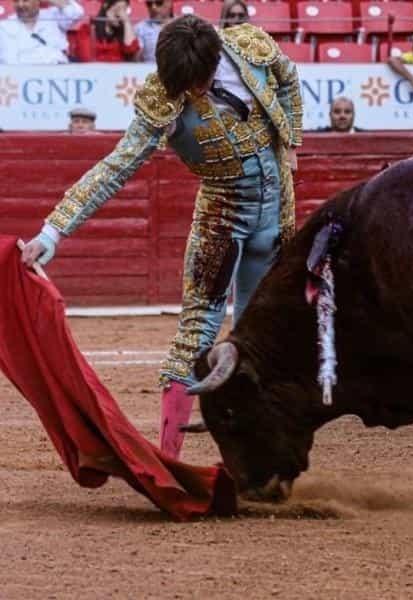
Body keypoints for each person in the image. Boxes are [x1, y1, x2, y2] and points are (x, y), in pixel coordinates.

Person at [20, 16, 303, 460]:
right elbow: (116, 167)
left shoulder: (248, 45)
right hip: (222, 214)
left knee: (263, 338)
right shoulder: (162, 97)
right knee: (197, 333)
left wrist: (291, 140)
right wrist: (53, 231)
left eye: (200, 82)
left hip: (278, 210)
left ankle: (256, 457)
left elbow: (287, 76)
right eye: (184, 86)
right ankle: (168, 458)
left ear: (215, 61)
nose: (192, 93)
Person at [0, 0, 84, 64]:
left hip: (57, 75)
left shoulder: (53, 16)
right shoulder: (5, 26)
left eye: (25, 0)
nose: (20, 5)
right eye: (16, 1)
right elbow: (7, 60)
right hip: (22, 78)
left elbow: (76, 13)